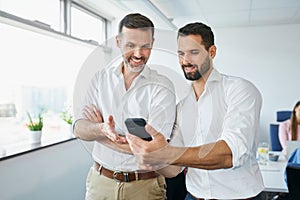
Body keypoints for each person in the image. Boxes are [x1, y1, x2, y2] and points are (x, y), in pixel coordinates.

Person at [126, 22, 264, 199]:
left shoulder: (239, 90)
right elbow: (174, 169)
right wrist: (151, 156)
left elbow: (228, 154)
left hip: (240, 197)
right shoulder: (182, 107)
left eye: (194, 52)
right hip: (194, 195)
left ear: (212, 52)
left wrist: (167, 153)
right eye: (181, 54)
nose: (185, 61)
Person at [73, 13, 176, 200]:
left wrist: (101, 136)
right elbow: (79, 129)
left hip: (144, 187)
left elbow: (153, 151)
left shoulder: (163, 86)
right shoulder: (100, 79)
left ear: (152, 43)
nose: (138, 54)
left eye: (145, 46)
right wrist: (101, 128)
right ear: (118, 42)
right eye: (131, 46)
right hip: (100, 184)